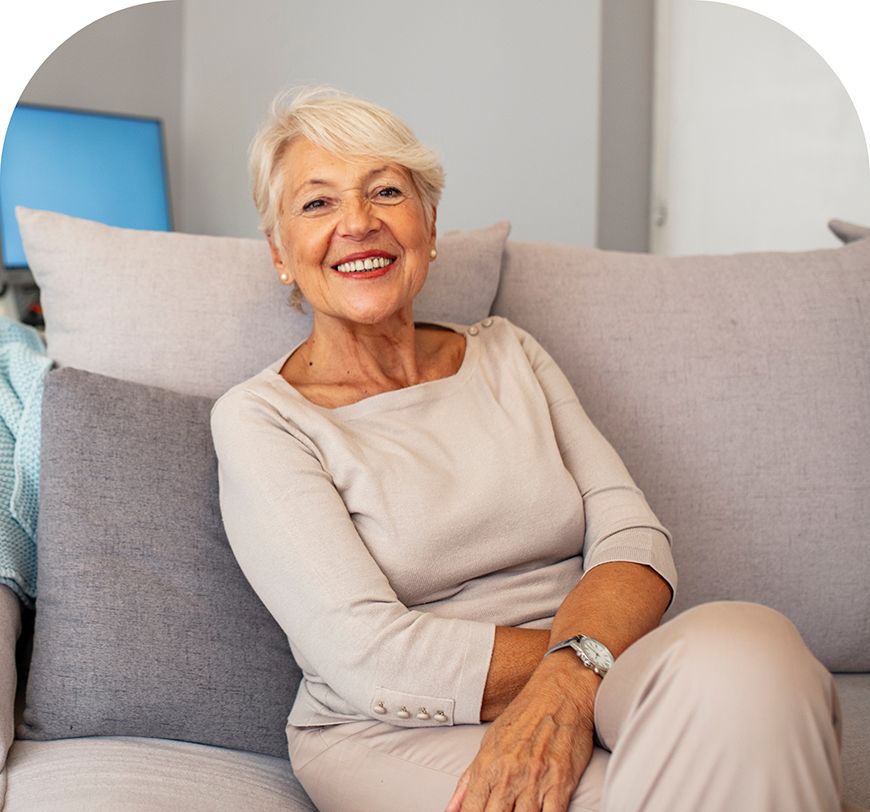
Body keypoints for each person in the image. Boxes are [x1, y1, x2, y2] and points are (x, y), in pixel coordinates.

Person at [211, 88, 843, 812]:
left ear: (429, 223)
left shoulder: (509, 351)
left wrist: (572, 682)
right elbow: (366, 653)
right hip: (392, 724)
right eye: (318, 204)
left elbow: (630, 536)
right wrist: (575, 665)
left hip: (599, 665)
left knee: (753, 653)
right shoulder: (263, 419)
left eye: (387, 191)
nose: (359, 222)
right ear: (279, 252)